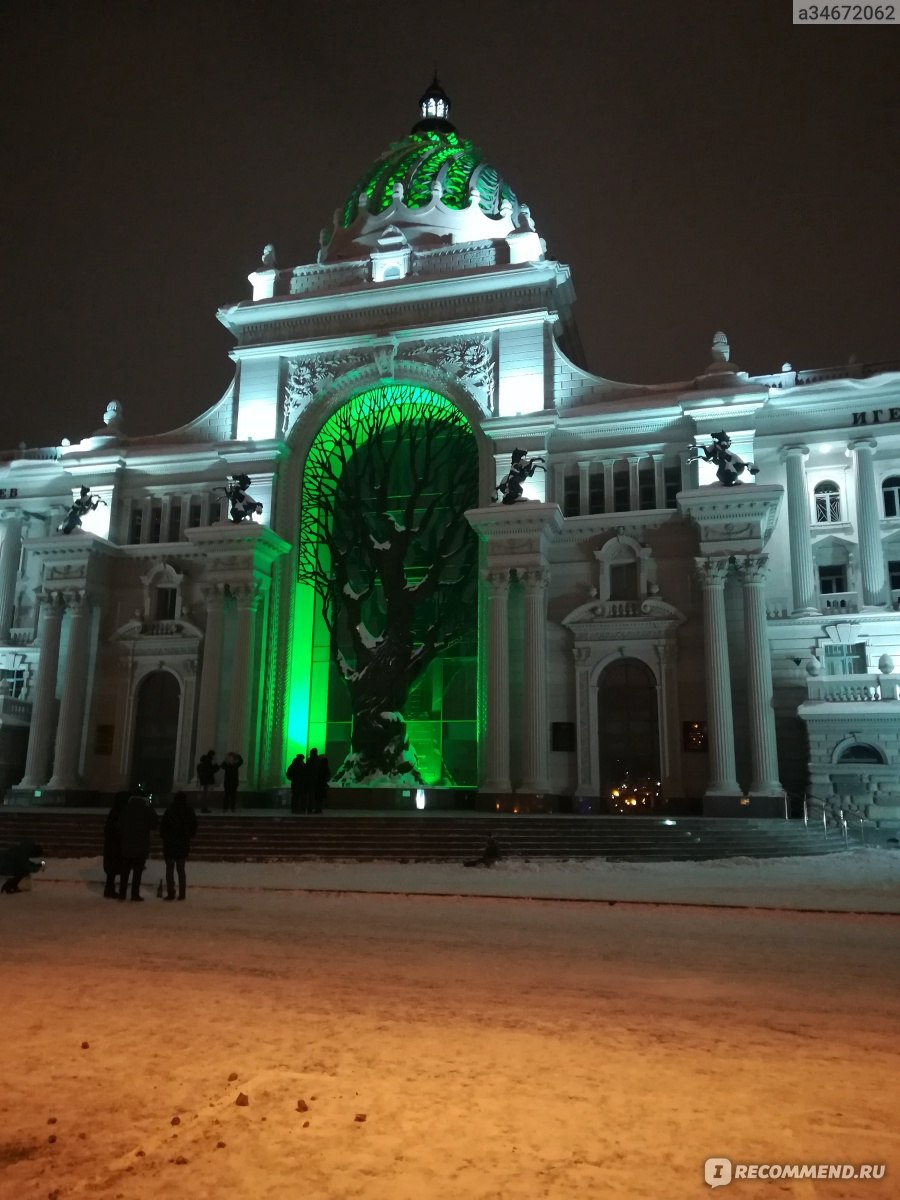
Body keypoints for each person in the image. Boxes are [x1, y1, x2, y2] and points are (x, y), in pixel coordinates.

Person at [118, 791, 158, 901]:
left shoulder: (127, 808)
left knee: (125, 871)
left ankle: (122, 893)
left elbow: (119, 825)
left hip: (127, 844)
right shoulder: (147, 808)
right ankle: (134, 894)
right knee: (137, 871)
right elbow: (154, 822)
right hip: (141, 844)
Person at [160, 792, 198, 901]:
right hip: (183, 844)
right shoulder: (189, 811)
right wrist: (188, 836)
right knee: (181, 870)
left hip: (170, 844)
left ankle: (171, 892)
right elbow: (194, 826)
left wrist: (166, 838)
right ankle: (182, 893)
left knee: (170, 870)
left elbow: (163, 827)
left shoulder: (170, 811)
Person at [102, 792, 128, 899]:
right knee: (120, 868)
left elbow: (107, 830)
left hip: (111, 845)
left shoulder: (113, 811)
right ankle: (117, 890)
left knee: (112, 871)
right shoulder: (122, 812)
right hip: (119, 845)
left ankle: (110, 889)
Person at [307, 748, 330, 814]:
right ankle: (318, 809)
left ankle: (311, 809)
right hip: (319, 782)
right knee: (319, 797)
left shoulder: (311, 761)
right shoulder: (319, 761)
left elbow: (308, 771)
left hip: (313, 782)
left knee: (313, 796)